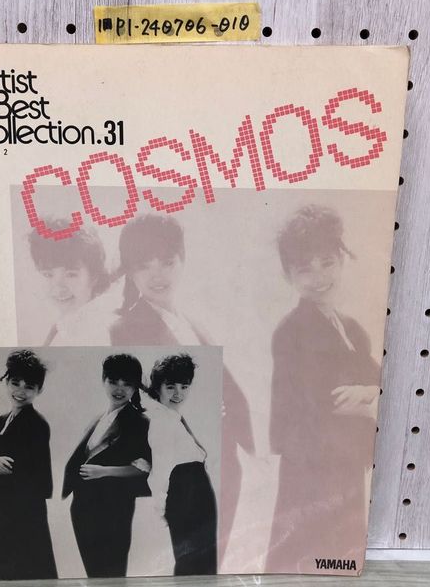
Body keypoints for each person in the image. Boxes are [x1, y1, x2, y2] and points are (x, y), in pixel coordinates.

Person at [109, 213, 254, 564]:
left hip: (219, 457)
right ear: (130, 272)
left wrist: (249, 448)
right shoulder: (127, 327)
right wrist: (202, 410)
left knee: (213, 560)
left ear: (183, 260)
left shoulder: (191, 320)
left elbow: (226, 387)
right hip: (182, 463)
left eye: (167, 262)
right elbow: (142, 399)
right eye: (144, 266)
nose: (157, 275)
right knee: (193, 561)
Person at [265, 204, 381, 572]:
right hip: (311, 463)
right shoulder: (292, 331)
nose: (319, 277)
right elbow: (326, 399)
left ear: (341, 261)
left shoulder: (351, 329)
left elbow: (378, 380)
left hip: (343, 456)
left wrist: (368, 392)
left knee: (341, 553)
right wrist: (367, 395)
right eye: (304, 269)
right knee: (305, 553)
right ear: (288, 275)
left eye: (327, 263)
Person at [62, 354, 151, 578]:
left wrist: (104, 471)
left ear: (135, 387)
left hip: (114, 507)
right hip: (83, 506)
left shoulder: (139, 422)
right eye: (113, 381)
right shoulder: (99, 418)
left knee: (111, 571)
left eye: (127, 383)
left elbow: (146, 468)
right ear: (103, 380)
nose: (119, 389)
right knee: (94, 573)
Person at [0, 350, 57, 580]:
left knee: (28, 562)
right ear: (7, 382)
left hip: (26, 504)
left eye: (29, 387)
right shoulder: (1, 421)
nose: (21, 392)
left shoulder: (36, 424)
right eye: (15, 383)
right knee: (6, 561)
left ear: (39, 390)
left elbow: (15, 467)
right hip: (7, 502)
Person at [147, 354, 217, 575]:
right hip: (185, 492)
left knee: (203, 559)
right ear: (157, 388)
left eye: (184, 387)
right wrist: (161, 506)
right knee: (193, 561)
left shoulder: (171, 417)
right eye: (170, 387)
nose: (178, 393)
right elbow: (161, 468)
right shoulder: (161, 421)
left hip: (196, 489)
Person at [28, 218, 109, 345]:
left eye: (71, 275)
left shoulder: (100, 332)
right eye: (48, 274)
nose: (58, 286)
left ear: (94, 277)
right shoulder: (62, 326)